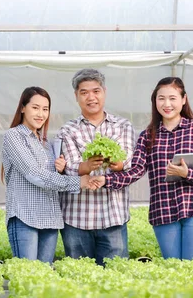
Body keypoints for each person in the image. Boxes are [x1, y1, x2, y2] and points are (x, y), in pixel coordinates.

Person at [91, 77, 193, 260]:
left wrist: (187, 173)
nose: (167, 104)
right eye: (161, 98)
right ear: (155, 101)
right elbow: (135, 171)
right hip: (163, 210)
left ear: (183, 99)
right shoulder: (148, 136)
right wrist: (106, 180)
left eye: (173, 98)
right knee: (172, 268)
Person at [2, 86, 90, 265]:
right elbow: (34, 173)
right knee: (27, 280)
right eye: (35, 107)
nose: (41, 114)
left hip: (49, 219)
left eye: (45, 109)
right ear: (22, 108)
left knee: (42, 282)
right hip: (25, 217)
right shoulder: (13, 136)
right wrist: (77, 182)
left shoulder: (46, 143)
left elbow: (49, 177)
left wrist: (59, 169)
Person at [58, 69, 135, 266]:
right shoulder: (68, 129)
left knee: (115, 278)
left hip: (113, 217)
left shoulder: (122, 126)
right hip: (76, 218)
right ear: (76, 96)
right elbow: (70, 167)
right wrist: (87, 165)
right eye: (84, 92)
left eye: (96, 91)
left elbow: (127, 160)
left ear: (104, 92)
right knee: (79, 279)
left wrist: (117, 163)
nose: (91, 97)